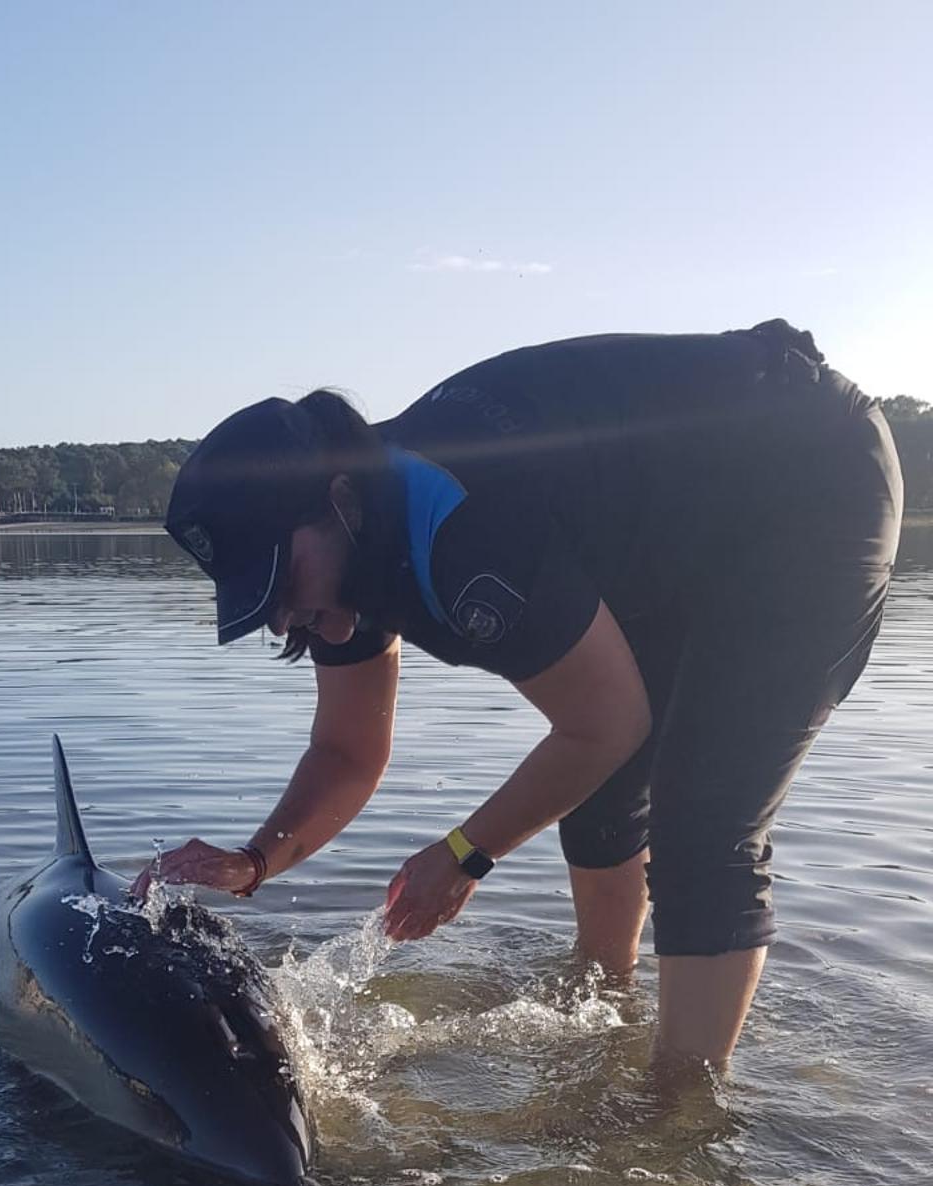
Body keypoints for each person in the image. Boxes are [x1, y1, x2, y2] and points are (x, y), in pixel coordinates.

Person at [141, 321, 902, 1068]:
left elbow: (604, 722)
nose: (281, 613)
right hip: (681, 531)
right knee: (601, 797)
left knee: (703, 825)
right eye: (259, 596)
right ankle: (606, 1010)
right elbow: (347, 749)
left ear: (338, 499)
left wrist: (466, 854)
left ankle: (675, 1116)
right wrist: (255, 861)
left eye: (282, 578)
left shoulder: (459, 529)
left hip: (811, 480)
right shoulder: (353, 554)